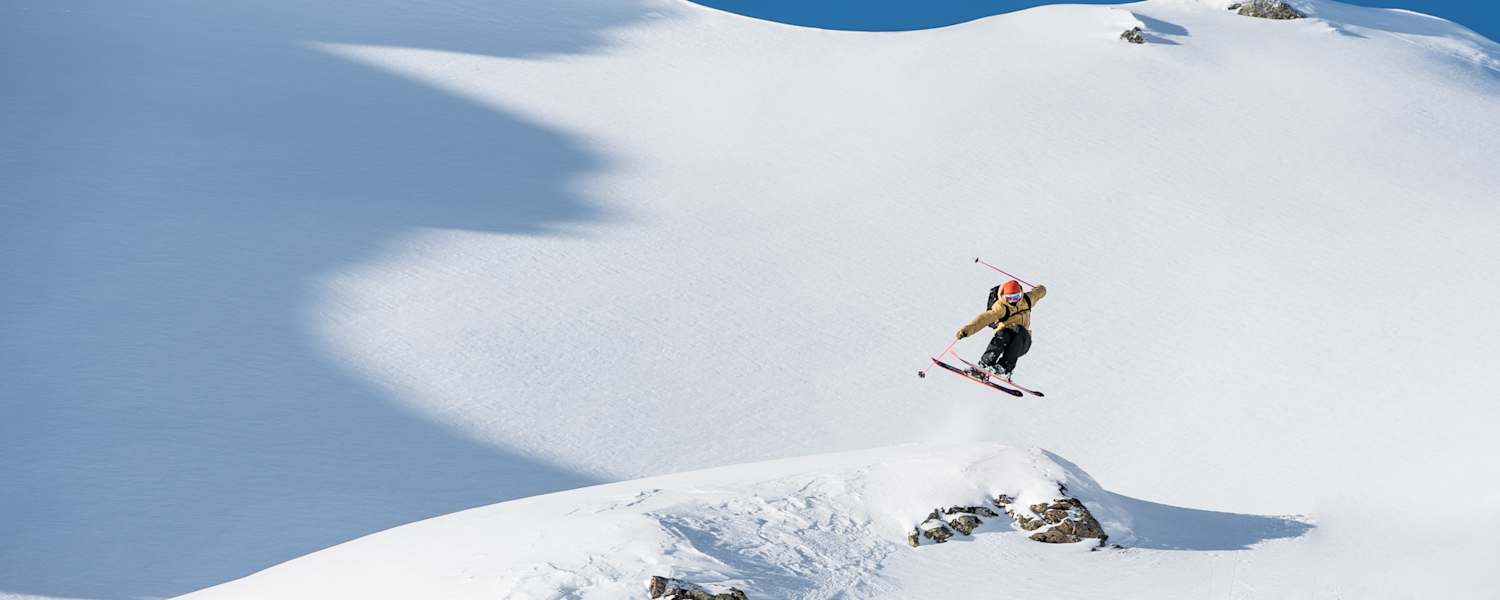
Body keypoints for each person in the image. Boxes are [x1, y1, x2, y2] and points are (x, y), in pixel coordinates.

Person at [955, 279, 1046, 381]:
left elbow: (1038, 293)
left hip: (1023, 342)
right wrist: (967, 330)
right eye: (1010, 298)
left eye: (1016, 297)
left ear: (1021, 293)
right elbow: (985, 318)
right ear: (1003, 296)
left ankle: (1005, 368)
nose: (1014, 301)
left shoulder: (1027, 300)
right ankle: (984, 366)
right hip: (1006, 339)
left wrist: (1041, 289)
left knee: (1019, 330)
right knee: (1002, 333)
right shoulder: (1000, 307)